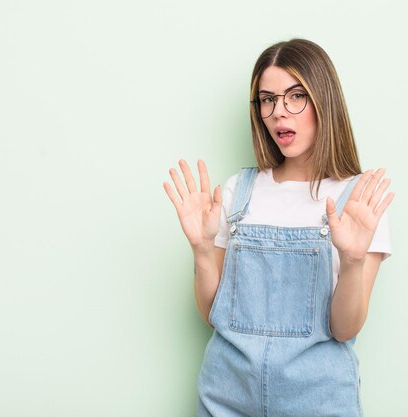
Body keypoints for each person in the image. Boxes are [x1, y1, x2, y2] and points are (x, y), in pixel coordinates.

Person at [163, 38, 394, 417]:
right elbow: (212, 316)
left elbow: (344, 329)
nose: (279, 113)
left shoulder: (359, 202)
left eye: (295, 96)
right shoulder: (240, 191)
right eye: (267, 99)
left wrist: (353, 261)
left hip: (319, 402)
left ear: (324, 101)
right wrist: (202, 249)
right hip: (226, 396)